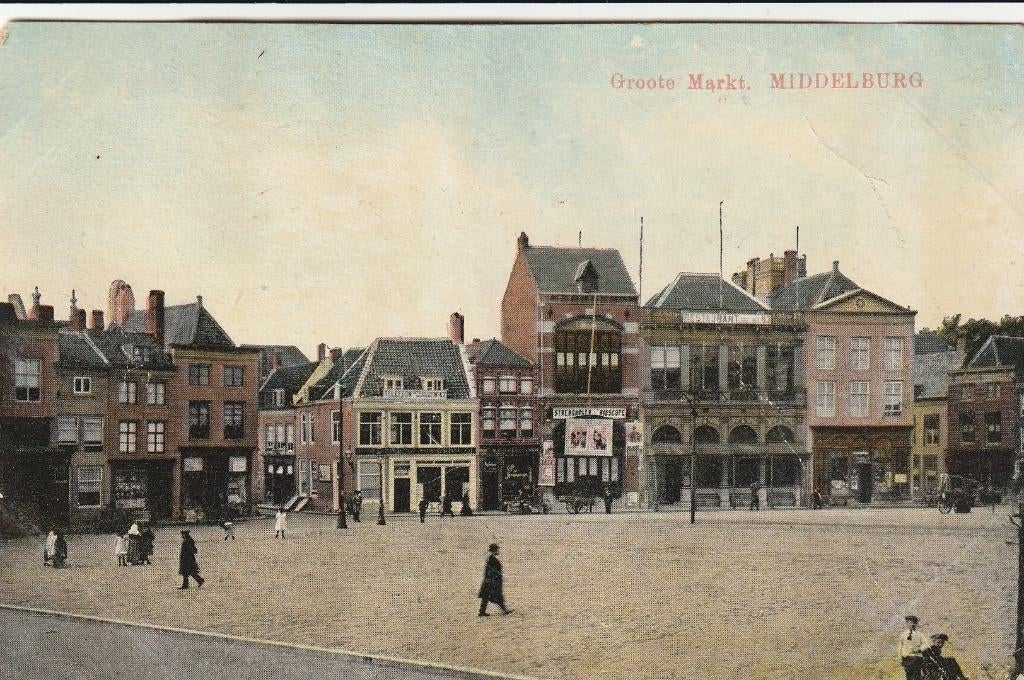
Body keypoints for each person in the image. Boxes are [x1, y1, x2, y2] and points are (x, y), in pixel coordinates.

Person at [477, 543, 510, 616]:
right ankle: (504, 610)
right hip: (492, 581)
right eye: (497, 549)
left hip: (489, 581)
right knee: (497, 595)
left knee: (486, 596)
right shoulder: (492, 559)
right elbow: (491, 571)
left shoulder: (490, 558)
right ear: (494, 550)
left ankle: (482, 612)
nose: (498, 550)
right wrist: (494, 579)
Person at [899, 615, 928, 680]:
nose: (911, 625)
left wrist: (919, 650)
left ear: (916, 624)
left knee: (916, 675)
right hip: (906, 658)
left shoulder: (920, 634)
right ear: (907, 623)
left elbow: (926, 644)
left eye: (913, 623)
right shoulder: (903, 635)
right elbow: (900, 647)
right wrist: (900, 658)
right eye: (909, 623)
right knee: (909, 675)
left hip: (916, 658)